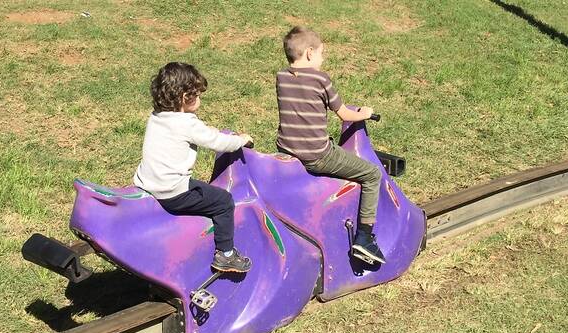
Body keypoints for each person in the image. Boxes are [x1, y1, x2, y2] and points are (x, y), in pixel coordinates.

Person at [276, 26, 385, 264]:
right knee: (372, 174)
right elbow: (345, 114)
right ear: (309, 53)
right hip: (317, 155)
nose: (323, 60)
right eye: (322, 54)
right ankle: (365, 238)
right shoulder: (321, 79)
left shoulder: (281, 77)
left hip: (286, 150)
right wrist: (365, 113)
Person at [134, 62, 253, 272]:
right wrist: (242, 140)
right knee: (223, 201)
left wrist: (209, 131)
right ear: (184, 98)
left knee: (199, 188)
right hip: (173, 193)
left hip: (148, 184)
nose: (200, 98)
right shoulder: (187, 123)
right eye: (197, 94)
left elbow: (199, 133)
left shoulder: (157, 117)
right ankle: (226, 254)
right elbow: (219, 143)